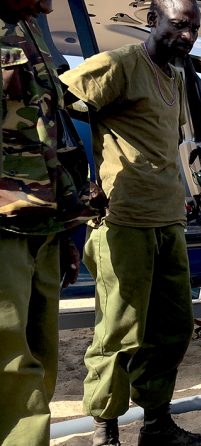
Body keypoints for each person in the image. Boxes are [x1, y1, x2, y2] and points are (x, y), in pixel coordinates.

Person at [59, 0, 201, 445]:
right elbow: (52, 101)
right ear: (152, 21)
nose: (188, 36)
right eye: (180, 26)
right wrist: (77, 177)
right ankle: (105, 433)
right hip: (122, 220)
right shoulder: (122, 64)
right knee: (118, 329)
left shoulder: (179, 76)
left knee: (172, 326)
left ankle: (156, 425)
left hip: (168, 219)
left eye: (194, 28)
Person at [1, 1, 93, 444]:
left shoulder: (32, 32)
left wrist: (68, 230)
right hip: (4, 229)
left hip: (44, 229)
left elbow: (50, 141)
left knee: (42, 363)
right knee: (10, 367)